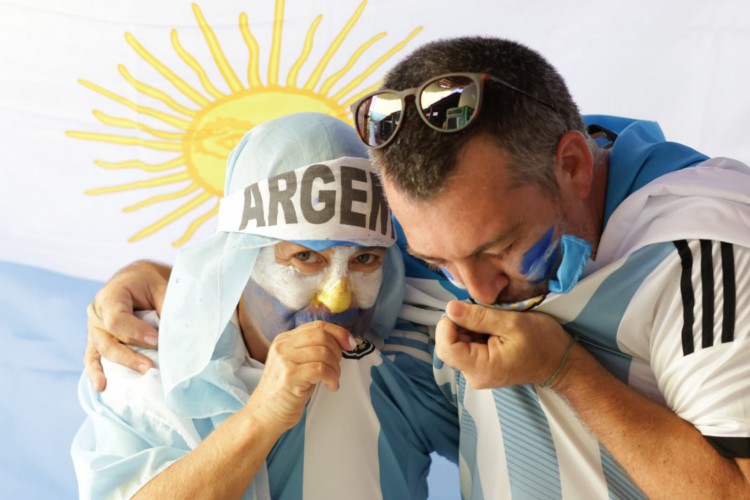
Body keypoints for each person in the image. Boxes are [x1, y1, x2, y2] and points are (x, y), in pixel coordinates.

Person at [86, 37, 750, 498]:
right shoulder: (412, 257)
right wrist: (145, 278)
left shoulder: (707, 250)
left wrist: (564, 370)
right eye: (434, 259)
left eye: (498, 247)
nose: (477, 288)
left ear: (571, 167)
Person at [72, 112, 458, 499]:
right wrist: (262, 417)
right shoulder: (144, 359)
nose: (338, 298)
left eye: (364, 261)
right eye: (306, 258)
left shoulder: (417, 352)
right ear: (240, 259)